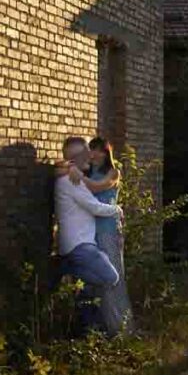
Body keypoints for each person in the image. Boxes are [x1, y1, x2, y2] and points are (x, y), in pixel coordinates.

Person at [54, 136, 123, 334]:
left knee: (87, 292)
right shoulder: (71, 180)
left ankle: (92, 331)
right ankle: (70, 269)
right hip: (81, 244)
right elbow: (93, 206)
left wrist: (71, 169)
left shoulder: (77, 175)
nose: (91, 155)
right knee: (110, 277)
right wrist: (117, 209)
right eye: (87, 151)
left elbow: (98, 187)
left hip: (84, 241)